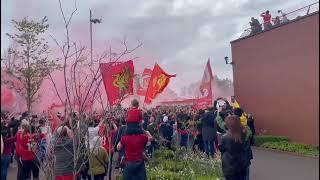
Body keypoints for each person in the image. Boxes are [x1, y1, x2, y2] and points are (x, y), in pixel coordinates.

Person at [219, 115, 247, 180]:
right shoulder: (243, 134)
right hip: (241, 164)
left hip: (229, 165)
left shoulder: (225, 137)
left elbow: (221, 149)